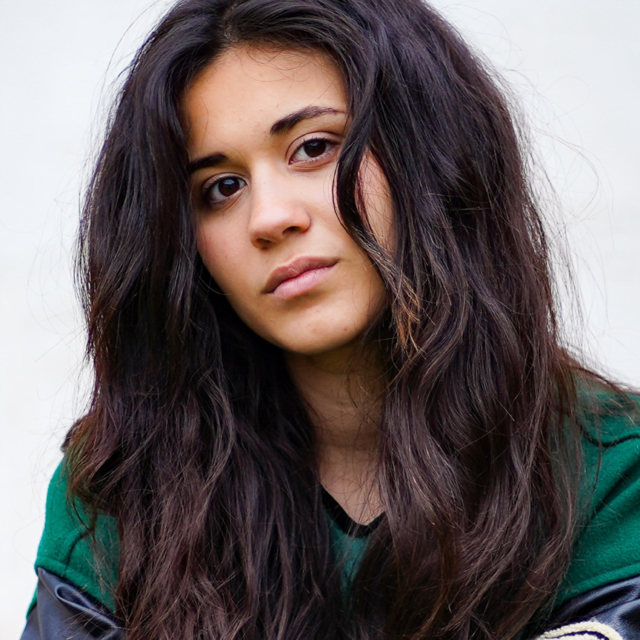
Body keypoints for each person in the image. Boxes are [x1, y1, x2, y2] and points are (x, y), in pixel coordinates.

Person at [20, 0, 640, 638]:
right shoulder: (121, 493)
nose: (269, 218)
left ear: (432, 154)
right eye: (221, 188)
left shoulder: (615, 475)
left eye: (313, 148)